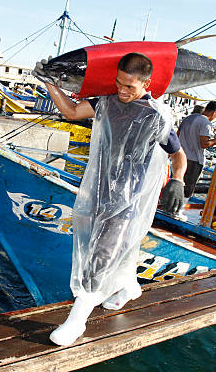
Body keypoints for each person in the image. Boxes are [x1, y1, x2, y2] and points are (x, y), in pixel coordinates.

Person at [35, 52, 187, 346]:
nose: (122, 90)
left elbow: (178, 154)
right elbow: (71, 112)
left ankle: (76, 322)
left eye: (129, 86)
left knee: (100, 255)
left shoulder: (155, 116)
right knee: (116, 247)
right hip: (98, 192)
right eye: (119, 83)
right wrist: (49, 83)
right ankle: (130, 286)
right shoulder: (105, 102)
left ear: (146, 83)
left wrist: (178, 180)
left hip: (127, 201)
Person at [177, 101, 216, 212]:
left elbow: (177, 135)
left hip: (180, 156)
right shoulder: (205, 123)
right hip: (194, 159)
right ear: (214, 113)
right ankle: (178, 210)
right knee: (188, 188)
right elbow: (205, 144)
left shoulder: (188, 118)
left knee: (177, 183)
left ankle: (169, 208)